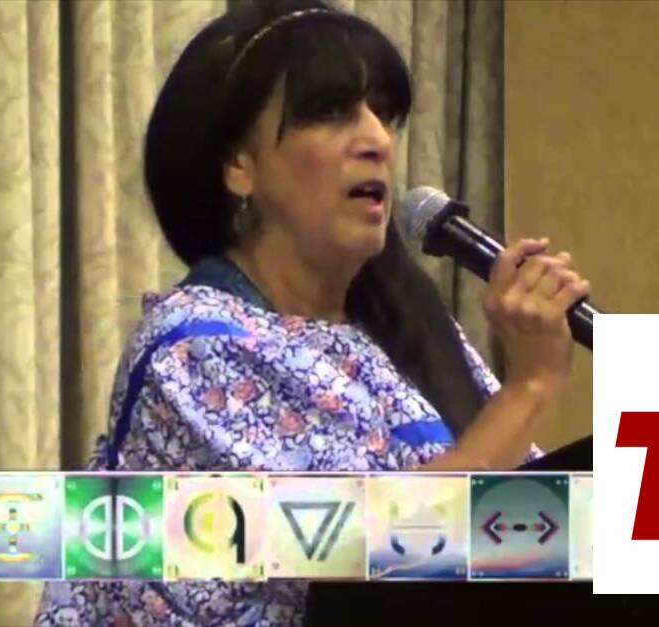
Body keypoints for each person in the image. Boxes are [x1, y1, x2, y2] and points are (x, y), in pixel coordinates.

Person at [34, 0, 589, 625]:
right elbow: (380, 557)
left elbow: (541, 540)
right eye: (330, 112)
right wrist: (530, 386)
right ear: (238, 165)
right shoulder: (193, 349)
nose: (378, 140)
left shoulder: (408, 331)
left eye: (383, 113)